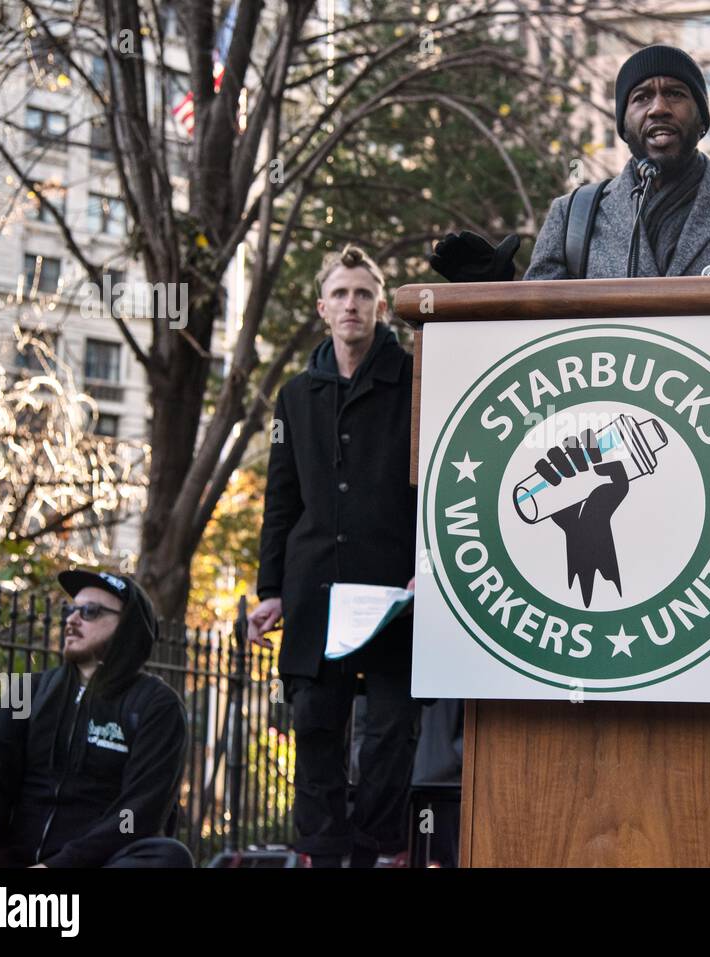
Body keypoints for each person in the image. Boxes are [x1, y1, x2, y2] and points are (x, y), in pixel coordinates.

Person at [248, 244, 421, 869]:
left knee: (389, 734)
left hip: (395, 595)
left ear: (381, 306)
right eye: (341, 294)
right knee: (316, 731)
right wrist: (270, 590)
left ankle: (382, 850)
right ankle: (322, 854)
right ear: (322, 307)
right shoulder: (295, 396)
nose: (352, 304)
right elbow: (280, 500)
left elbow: (440, 481)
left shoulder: (414, 381)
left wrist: (427, 562)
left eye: (364, 294)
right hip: (315, 590)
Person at [429, 44, 710, 290]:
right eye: (641, 98)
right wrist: (492, 294)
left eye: (675, 94)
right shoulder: (572, 216)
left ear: (702, 119)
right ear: (623, 125)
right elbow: (535, 339)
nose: (658, 108)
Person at [0, 570, 190, 868]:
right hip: (14, 861)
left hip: (97, 863)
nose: (72, 620)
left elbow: (137, 813)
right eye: (70, 610)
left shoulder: (157, 705)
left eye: (90, 612)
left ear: (127, 627)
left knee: (169, 857)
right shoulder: (29, 692)